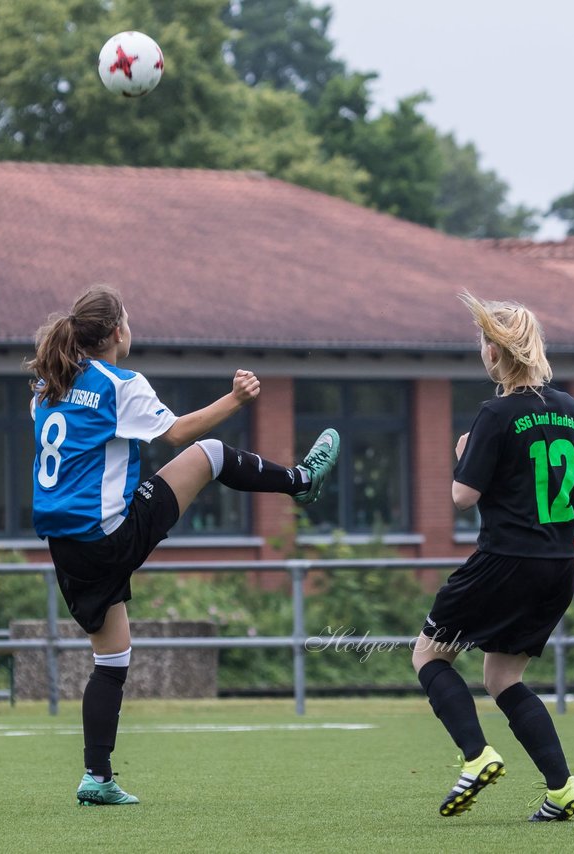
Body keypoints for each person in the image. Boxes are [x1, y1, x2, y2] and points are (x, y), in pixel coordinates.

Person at [27, 284, 340, 806]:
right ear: (115, 333)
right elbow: (176, 433)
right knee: (209, 453)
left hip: (65, 545)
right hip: (107, 536)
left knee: (112, 659)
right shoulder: (116, 382)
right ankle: (302, 480)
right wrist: (235, 399)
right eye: (128, 319)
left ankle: (96, 778)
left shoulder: (47, 383)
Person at [410, 293, 574, 822]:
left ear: (496, 353)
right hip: (556, 566)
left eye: (483, 342)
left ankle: (476, 756)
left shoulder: (496, 413)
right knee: (503, 678)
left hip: (505, 559)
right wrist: (543, 494)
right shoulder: (570, 408)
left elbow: (463, 497)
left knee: (429, 655)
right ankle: (563, 787)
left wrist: (464, 457)